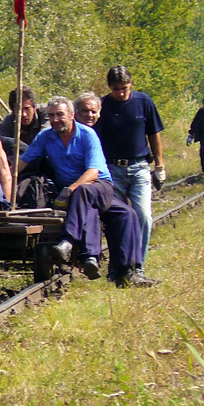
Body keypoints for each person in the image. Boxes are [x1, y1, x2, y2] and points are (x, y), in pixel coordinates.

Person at [17, 97, 152, 287]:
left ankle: (68, 240)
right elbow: (22, 162)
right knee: (126, 214)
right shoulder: (45, 137)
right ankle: (118, 270)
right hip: (78, 195)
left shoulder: (87, 135)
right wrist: (6, 181)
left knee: (83, 191)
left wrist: (70, 189)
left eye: (60, 115)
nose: (56, 119)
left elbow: (93, 172)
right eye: (52, 115)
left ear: (71, 116)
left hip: (100, 187)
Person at [94, 66, 165, 271]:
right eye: (116, 89)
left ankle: (138, 265)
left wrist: (159, 165)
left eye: (125, 88)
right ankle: (119, 266)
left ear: (131, 84)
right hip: (112, 168)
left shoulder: (144, 102)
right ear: (110, 88)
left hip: (139, 167)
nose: (121, 93)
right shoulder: (103, 106)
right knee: (117, 217)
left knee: (143, 215)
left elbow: (154, 133)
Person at [0, 86, 50, 150]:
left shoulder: (48, 112)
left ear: (34, 108)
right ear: (13, 111)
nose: (23, 114)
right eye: (19, 110)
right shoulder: (8, 123)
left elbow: (44, 137)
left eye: (27, 109)